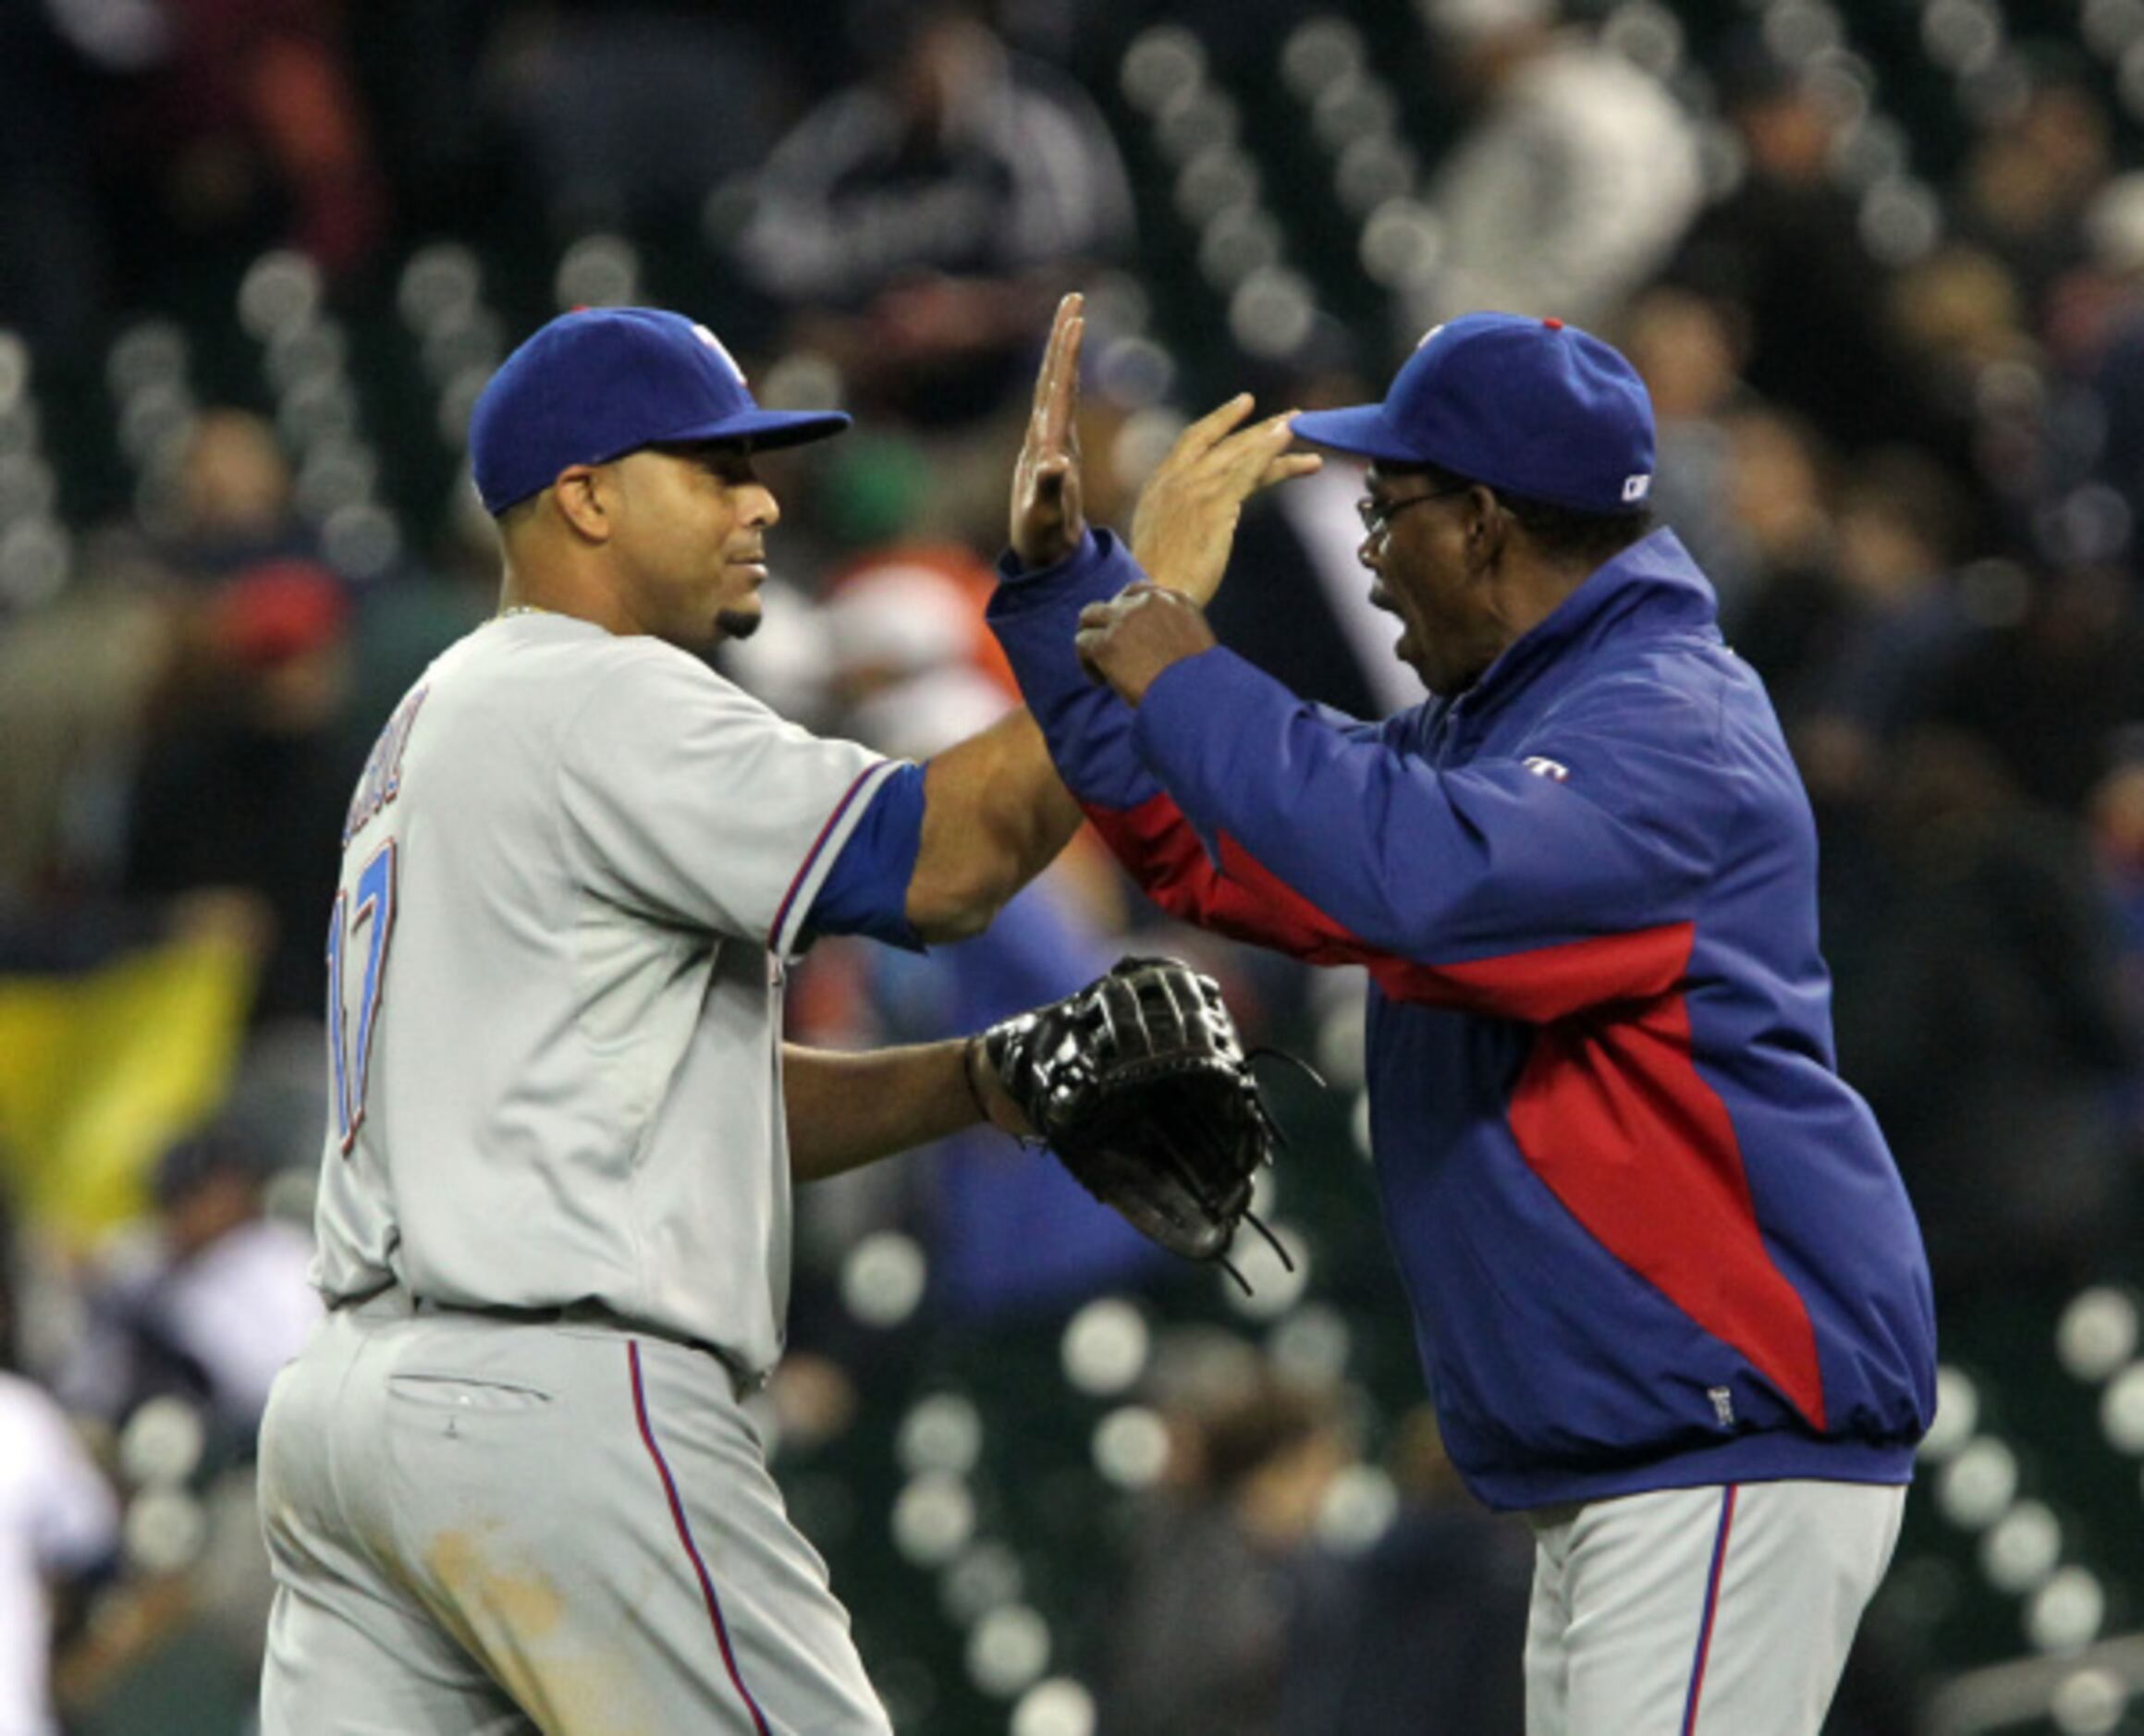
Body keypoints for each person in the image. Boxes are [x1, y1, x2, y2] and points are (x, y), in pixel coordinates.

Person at [253, 298, 1273, 1732]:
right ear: (585, 497)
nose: (761, 501)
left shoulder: (439, 720)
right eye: (712, 466)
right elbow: (953, 859)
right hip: (559, 1408)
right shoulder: (594, 696)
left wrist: (982, 1078)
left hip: (361, 1418)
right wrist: (1148, 604)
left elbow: (669, 1099)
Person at [986, 312, 1937, 1733]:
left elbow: (1419, 879)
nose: (1367, 549)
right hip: (1638, 1449)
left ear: (1484, 522)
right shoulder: (1503, 726)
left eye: (1388, 507)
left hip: (1724, 1429)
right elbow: (1226, 844)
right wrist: (1080, 592)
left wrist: (1191, 664)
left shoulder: (1665, 724)